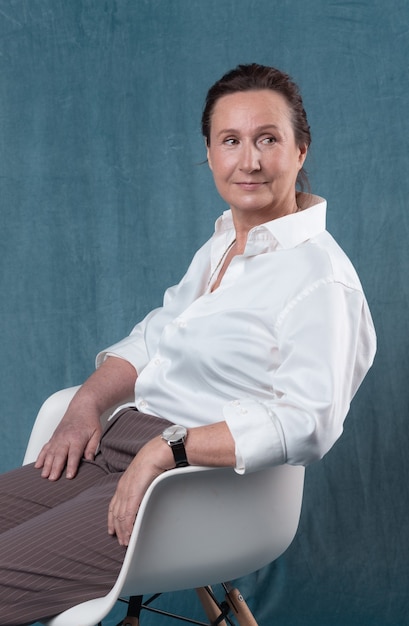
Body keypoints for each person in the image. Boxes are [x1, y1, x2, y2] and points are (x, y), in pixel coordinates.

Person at [0, 63, 376, 625]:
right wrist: (86, 404)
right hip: (113, 447)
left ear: (300, 152)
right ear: (209, 153)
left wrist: (168, 449)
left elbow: (309, 420)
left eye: (267, 139)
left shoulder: (321, 279)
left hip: (189, 489)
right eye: (231, 141)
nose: (248, 160)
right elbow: (157, 334)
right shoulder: (226, 241)